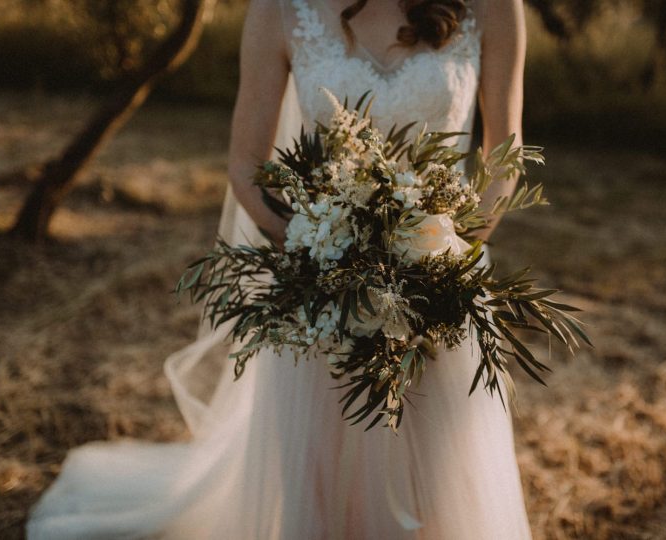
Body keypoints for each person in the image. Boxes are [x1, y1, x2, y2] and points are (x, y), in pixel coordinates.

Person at [27, 0, 531, 538]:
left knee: (437, 476)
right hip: (320, 295)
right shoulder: (280, 11)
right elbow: (247, 167)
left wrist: (447, 254)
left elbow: (506, 152)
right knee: (317, 473)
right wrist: (319, 251)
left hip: (442, 284)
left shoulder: (494, 7)